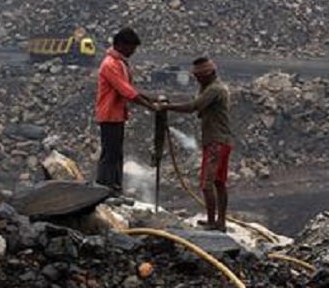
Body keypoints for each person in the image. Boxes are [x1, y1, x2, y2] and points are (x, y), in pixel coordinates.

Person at [161, 56, 233, 231]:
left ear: (208, 74)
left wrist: (167, 107)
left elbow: (193, 106)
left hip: (216, 141)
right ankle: (220, 222)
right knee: (219, 183)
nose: (196, 80)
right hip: (220, 140)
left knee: (207, 183)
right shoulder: (210, 88)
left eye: (199, 77)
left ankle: (212, 221)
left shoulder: (214, 90)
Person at [95, 26, 156, 193]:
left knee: (116, 153)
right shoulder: (110, 65)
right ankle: (104, 187)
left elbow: (129, 88)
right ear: (121, 45)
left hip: (117, 115)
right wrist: (149, 106)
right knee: (110, 154)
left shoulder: (119, 63)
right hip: (109, 114)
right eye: (132, 48)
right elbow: (126, 90)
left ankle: (114, 187)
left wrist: (151, 99)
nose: (133, 51)